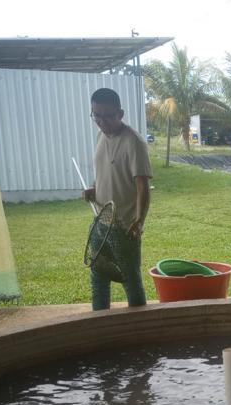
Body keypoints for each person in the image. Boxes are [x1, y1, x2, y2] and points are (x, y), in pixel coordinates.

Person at [83, 88, 152, 311]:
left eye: (108, 116)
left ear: (120, 114)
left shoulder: (134, 142)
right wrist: (94, 189)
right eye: (96, 115)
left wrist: (139, 220)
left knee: (130, 278)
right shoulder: (100, 136)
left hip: (124, 226)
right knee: (98, 277)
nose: (102, 121)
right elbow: (105, 170)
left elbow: (143, 186)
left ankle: (139, 328)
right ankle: (100, 323)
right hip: (101, 221)